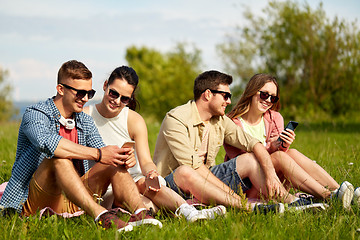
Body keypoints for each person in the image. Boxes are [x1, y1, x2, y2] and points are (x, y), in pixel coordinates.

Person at [0, 60, 163, 232]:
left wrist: (119, 157)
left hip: (72, 198)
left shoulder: (84, 120)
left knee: (111, 161)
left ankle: (141, 213)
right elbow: (49, 144)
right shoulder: (36, 114)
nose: (85, 99)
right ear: (61, 89)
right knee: (59, 158)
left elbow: (103, 156)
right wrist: (99, 154)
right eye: (79, 93)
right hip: (34, 200)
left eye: (89, 93)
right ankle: (101, 216)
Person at [153, 70, 326, 213]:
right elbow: (194, 167)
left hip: (207, 176)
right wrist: (235, 197)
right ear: (207, 94)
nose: (229, 101)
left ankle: (290, 202)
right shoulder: (176, 119)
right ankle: (250, 206)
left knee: (251, 158)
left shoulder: (219, 120)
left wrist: (272, 175)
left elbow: (254, 144)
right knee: (186, 171)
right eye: (225, 95)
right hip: (175, 184)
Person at [84, 66, 226, 222]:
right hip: (105, 187)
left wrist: (152, 172)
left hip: (137, 181)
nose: (116, 101)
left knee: (148, 184)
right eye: (113, 93)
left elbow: (145, 161)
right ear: (105, 86)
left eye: (124, 99)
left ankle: (190, 212)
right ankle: (185, 211)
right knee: (152, 205)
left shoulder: (134, 119)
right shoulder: (86, 115)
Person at [224, 73, 356, 209]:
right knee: (279, 156)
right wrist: (271, 147)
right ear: (251, 92)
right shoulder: (231, 123)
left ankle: (339, 191)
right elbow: (244, 161)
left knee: (290, 152)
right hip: (248, 185)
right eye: (264, 94)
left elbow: (281, 157)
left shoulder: (274, 118)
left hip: (273, 180)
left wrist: (283, 145)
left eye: (273, 98)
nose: (268, 100)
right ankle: (328, 196)